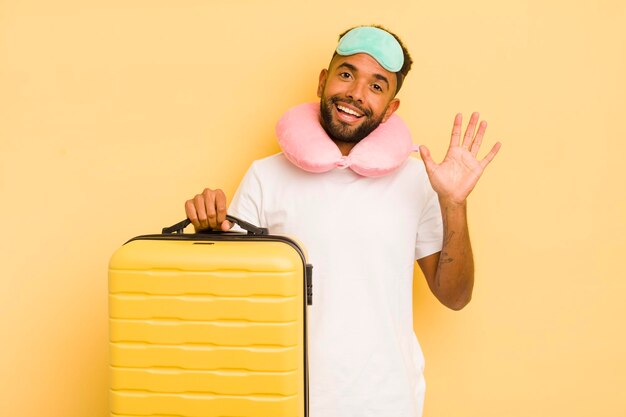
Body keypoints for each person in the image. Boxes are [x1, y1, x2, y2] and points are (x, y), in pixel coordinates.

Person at [185, 25, 500, 417]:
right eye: (346, 74)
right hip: (283, 402)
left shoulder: (418, 180)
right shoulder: (265, 176)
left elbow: (455, 297)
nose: (355, 93)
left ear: (391, 109)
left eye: (377, 86)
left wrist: (454, 202)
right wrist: (210, 233)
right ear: (323, 81)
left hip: (388, 403)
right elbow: (228, 301)